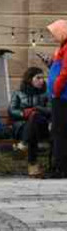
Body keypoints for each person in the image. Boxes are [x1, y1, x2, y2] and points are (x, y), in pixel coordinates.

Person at [8, 67, 50, 177]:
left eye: (43, 78)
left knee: (35, 117)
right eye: (38, 78)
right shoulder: (18, 93)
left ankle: (23, 144)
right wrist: (24, 113)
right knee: (32, 129)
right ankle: (32, 167)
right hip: (21, 127)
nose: (42, 80)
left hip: (42, 126)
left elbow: (50, 110)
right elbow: (12, 110)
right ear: (30, 79)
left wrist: (36, 109)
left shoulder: (46, 94)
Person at [47, 20, 67, 177]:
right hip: (59, 96)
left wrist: (56, 89)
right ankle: (59, 165)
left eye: (54, 33)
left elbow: (65, 72)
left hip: (62, 96)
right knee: (59, 131)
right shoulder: (62, 48)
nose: (53, 37)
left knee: (59, 132)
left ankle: (60, 167)